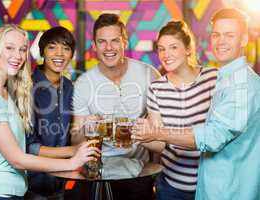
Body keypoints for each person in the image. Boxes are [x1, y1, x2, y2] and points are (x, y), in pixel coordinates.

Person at [132, 8, 260, 200]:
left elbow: (212, 137)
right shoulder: (227, 79)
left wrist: (157, 132)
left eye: (229, 35)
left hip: (228, 190)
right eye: (216, 34)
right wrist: (141, 135)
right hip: (186, 184)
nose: (221, 41)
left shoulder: (232, 82)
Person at [0, 24, 99, 200]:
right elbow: (18, 156)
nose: (17, 55)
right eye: (9, 48)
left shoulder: (6, 93)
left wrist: (85, 127)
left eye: (22, 50)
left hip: (21, 190)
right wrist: (73, 157)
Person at [71, 13, 160, 200]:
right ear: (94, 45)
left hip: (139, 173)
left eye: (115, 41)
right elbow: (75, 139)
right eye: (102, 41)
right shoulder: (83, 83)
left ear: (125, 42)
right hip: (98, 175)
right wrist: (87, 129)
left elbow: (160, 136)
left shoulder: (149, 75)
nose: (109, 47)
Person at [139, 20, 217, 200]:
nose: (166, 54)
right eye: (161, 49)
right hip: (171, 187)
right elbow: (159, 143)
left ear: (188, 49)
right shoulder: (156, 89)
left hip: (211, 185)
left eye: (173, 47)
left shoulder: (212, 79)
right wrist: (138, 137)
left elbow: (218, 134)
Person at [25, 26, 77, 199]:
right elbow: (28, 146)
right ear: (42, 51)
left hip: (61, 184)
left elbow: (72, 130)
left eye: (66, 48)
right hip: (31, 186)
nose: (59, 54)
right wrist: (73, 151)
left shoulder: (70, 87)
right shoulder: (26, 88)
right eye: (52, 47)